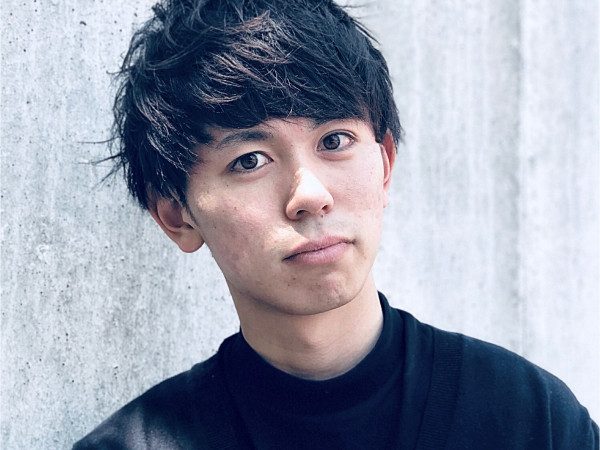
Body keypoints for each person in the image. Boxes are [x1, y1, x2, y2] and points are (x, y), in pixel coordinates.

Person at [74, 0, 598, 448]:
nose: (310, 195)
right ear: (176, 215)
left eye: (334, 141)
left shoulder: (530, 419)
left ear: (385, 164)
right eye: (250, 160)